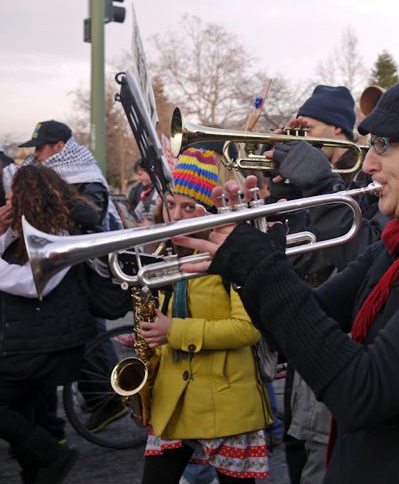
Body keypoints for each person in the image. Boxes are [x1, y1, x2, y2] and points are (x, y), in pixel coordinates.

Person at [175, 72, 399, 483]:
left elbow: (364, 392)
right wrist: (251, 263)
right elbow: (297, 329)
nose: (369, 163)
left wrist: (263, 270)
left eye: (384, 144)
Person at [267, 83, 387, 484]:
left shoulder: (366, 181)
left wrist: (319, 189)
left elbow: (356, 257)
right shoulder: (314, 180)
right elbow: (299, 255)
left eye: (309, 128)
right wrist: (283, 193)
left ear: (337, 130)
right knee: (297, 449)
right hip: (307, 337)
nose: (301, 139)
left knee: (321, 459)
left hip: (343, 340)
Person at [137, 147, 273, 484]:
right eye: (171, 205)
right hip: (173, 398)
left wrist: (173, 331)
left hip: (226, 400)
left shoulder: (233, 254)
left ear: (212, 211)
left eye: (189, 207)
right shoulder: (164, 252)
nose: (177, 216)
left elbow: (247, 330)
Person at [0, 165, 113, 484]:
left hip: (49, 345)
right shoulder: (31, 226)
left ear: (27, 197)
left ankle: (52, 456)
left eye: (12, 194)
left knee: (18, 415)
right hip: (34, 341)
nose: (6, 199)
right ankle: (39, 469)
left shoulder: (60, 233)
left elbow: (31, 284)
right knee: (22, 417)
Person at [19, 120, 122, 231]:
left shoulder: (88, 177)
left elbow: (92, 217)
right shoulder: (35, 169)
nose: (35, 153)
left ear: (59, 146)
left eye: (39, 148)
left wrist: (50, 196)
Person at [128, 160, 158, 225]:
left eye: (140, 174)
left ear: (149, 172)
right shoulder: (135, 190)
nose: (139, 178)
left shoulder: (159, 189)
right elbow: (131, 211)